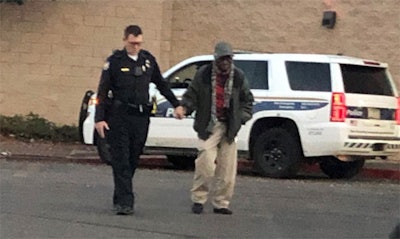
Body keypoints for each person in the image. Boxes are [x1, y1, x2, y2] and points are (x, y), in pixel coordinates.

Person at [95, 25, 184, 215]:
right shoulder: (115, 61)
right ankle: (126, 203)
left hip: (140, 117)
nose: (136, 46)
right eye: (132, 43)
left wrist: (176, 104)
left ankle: (120, 195)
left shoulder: (148, 61)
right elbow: (102, 91)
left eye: (139, 43)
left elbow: (161, 84)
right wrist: (99, 118)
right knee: (121, 159)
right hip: (119, 117)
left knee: (133, 158)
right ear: (125, 40)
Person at [176, 41, 254, 215]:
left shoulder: (239, 77)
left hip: (229, 126)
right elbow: (192, 95)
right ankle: (198, 199)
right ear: (215, 59)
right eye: (222, 59)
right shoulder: (203, 75)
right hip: (210, 124)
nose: (225, 62)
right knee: (205, 163)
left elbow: (247, 101)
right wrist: (184, 107)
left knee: (227, 170)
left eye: (228, 59)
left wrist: (240, 118)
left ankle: (221, 203)